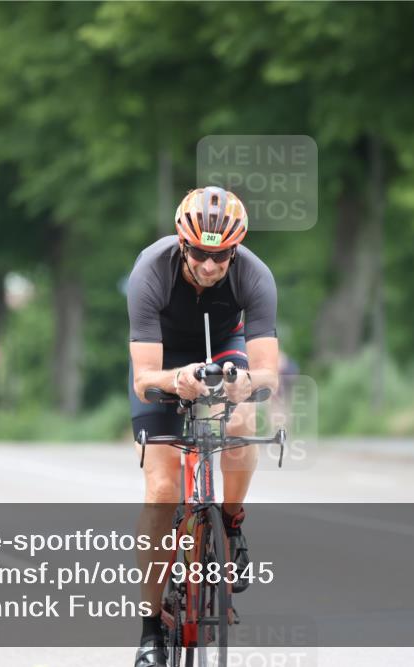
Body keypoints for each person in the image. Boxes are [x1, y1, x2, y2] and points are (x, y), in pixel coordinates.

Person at [127, 186, 279, 667]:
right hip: (164, 359)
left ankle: (230, 523)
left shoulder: (255, 276)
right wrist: (178, 380)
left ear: (235, 251)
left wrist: (244, 384)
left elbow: (269, 375)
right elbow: (143, 381)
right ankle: (150, 631)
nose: (210, 266)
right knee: (161, 489)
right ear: (182, 243)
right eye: (199, 254)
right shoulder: (151, 272)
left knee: (245, 416)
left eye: (221, 256)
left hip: (225, 347)